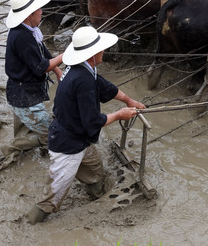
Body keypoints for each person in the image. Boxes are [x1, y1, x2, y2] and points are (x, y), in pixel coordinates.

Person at [26, 26, 145, 225]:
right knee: (52, 198)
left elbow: (105, 86)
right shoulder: (83, 80)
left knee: (95, 171)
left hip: (79, 138)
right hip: (68, 144)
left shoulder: (85, 69)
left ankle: (97, 195)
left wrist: (129, 101)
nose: (104, 51)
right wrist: (119, 115)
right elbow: (92, 121)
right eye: (101, 49)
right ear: (92, 54)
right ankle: (29, 226)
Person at [0, 0, 64, 168]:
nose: (42, 12)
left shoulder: (30, 30)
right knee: (49, 133)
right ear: (28, 15)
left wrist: (58, 71)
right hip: (23, 92)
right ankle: (10, 148)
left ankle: (21, 148)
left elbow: (44, 53)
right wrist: (66, 55)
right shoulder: (21, 36)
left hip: (21, 89)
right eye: (38, 10)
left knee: (23, 124)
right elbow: (40, 67)